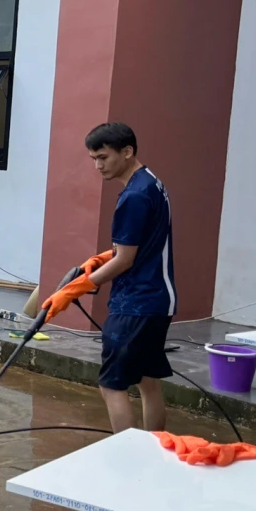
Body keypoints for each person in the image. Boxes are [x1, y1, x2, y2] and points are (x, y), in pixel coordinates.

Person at [42, 122, 174, 433]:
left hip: (135, 304)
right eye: (93, 159)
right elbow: (138, 245)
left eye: (103, 157)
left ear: (127, 152)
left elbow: (125, 261)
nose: (98, 166)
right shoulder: (152, 183)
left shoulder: (133, 197)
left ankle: (126, 460)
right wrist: (105, 256)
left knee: (112, 385)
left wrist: (76, 289)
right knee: (146, 381)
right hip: (159, 300)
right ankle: (154, 451)